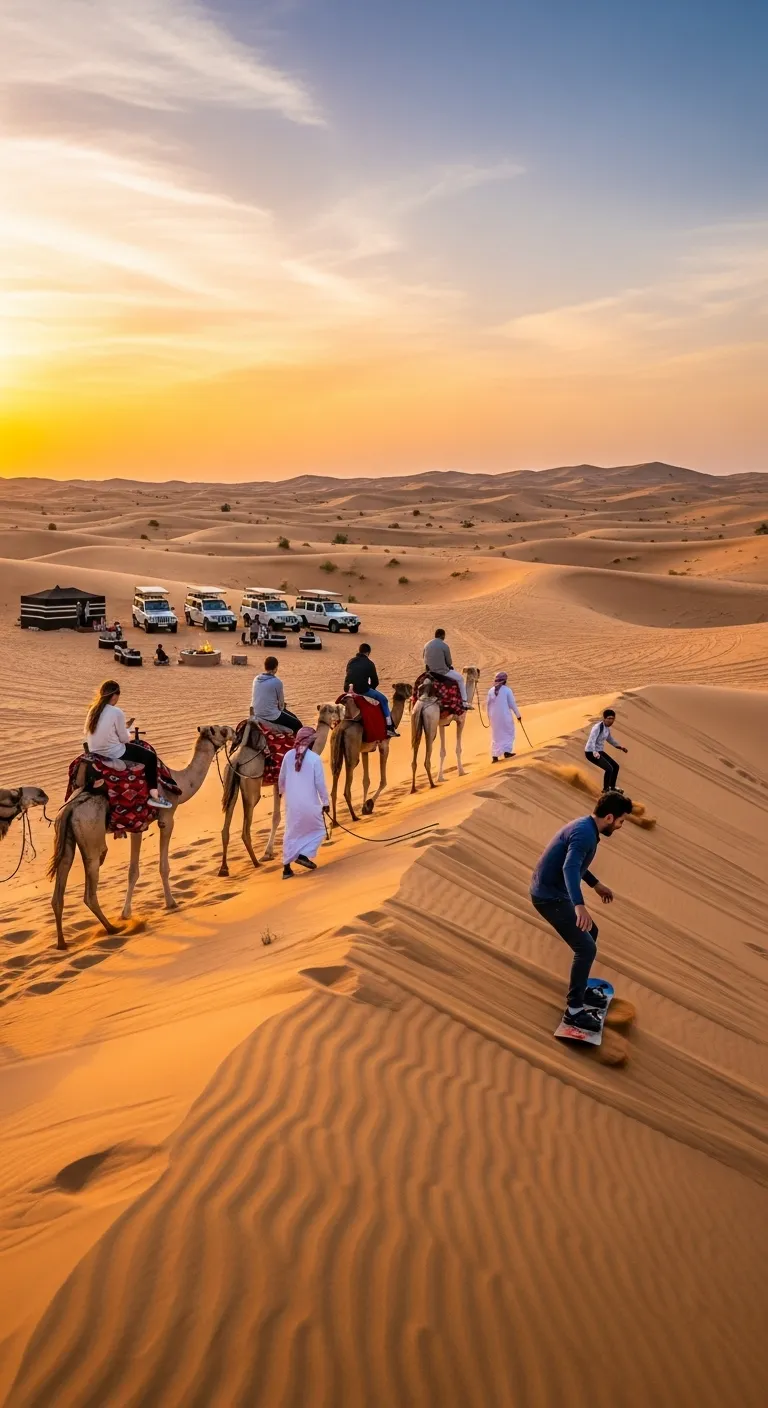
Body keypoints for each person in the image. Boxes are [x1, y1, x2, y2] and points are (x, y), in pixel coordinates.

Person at [530, 790, 633, 1033]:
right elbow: (569, 867)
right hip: (548, 897)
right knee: (586, 947)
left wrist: (595, 884)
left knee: (591, 932)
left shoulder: (585, 827)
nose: (620, 826)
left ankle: (581, 988)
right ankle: (573, 1012)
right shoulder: (585, 835)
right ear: (609, 817)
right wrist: (579, 905)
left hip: (553, 892)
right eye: (621, 821)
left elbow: (576, 864)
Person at [84, 680, 172, 808]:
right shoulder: (116, 712)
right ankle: (154, 795)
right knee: (150, 757)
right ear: (114, 695)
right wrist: (127, 730)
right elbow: (124, 739)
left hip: (94, 752)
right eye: (118, 694)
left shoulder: (92, 710)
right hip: (113, 752)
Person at [278, 727, 330, 879]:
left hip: (292, 804)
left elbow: (281, 778)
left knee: (291, 832)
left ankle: (286, 868)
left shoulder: (288, 755)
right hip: (310, 805)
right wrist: (325, 802)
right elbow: (320, 783)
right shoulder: (315, 759)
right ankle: (303, 854)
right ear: (309, 742)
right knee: (319, 830)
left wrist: (282, 792)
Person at [344, 643, 399, 738]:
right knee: (384, 700)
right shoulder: (369, 663)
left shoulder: (351, 661)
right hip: (363, 689)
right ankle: (389, 727)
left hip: (348, 689)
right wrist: (370, 688)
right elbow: (375, 681)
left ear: (359, 651)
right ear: (368, 652)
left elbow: (349, 674)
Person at [251, 656, 302, 733]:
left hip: (257, 713)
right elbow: (281, 706)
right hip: (271, 716)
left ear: (265, 667)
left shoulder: (256, 679)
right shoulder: (277, 682)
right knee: (298, 724)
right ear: (276, 668)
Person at [423, 628, 470, 706]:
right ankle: (464, 702)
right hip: (442, 672)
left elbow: (423, 658)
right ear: (443, 636)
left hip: (429, 672)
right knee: (461, 679)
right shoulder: (444, 646)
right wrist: (448, 666)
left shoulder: (426, 644)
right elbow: (449, 662)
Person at [585, 708, 627, 791]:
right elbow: (592, 740)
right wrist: (594, 752)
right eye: (609, 718)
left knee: (615, 766)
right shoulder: (597, 728)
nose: (611, 721)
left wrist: (619, 747)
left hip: (599, 751)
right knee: (609, 769)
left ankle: (612, 787)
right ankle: (606, 789)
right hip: (591, 752)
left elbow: (609, 739)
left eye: (613, 719)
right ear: (604, 718)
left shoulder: (606, 728)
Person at [486, 671, 521, 761]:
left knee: (496, 735)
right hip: (504, 716)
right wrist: (518, 715)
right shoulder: (507, 690)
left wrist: (489, 717)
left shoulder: (490, 691)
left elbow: (488, 705)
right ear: (505, 681)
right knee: (509, 732)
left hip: (494, 717)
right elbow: (512, 704)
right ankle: (507, 752)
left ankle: (495, 756)